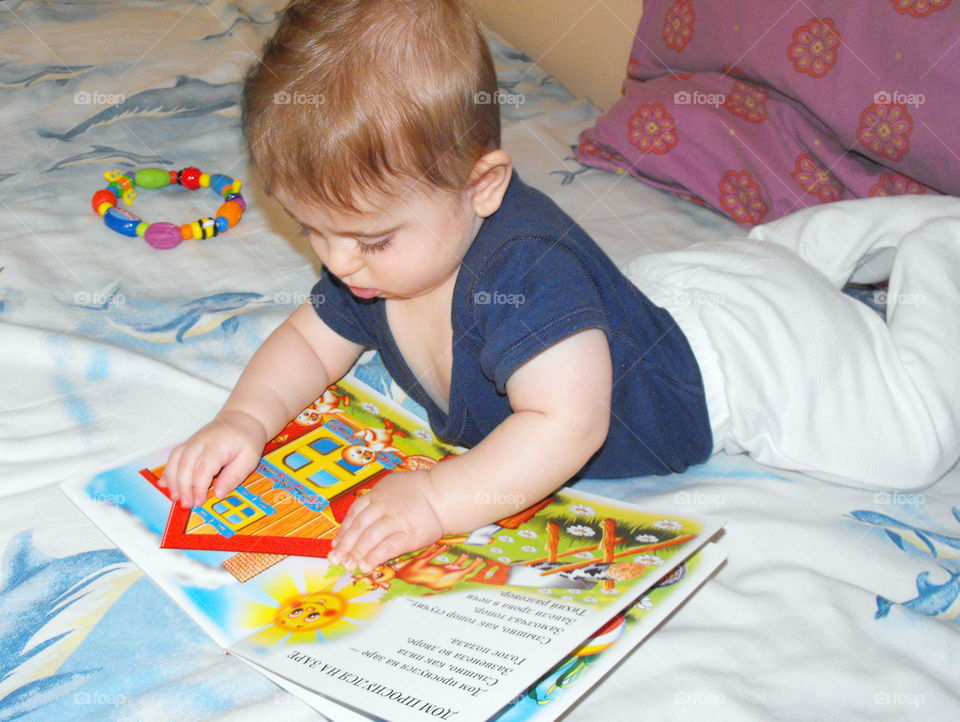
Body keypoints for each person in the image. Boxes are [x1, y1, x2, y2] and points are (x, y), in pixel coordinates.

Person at [160, 0, 960, 573]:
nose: (338, 264)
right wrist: (244, 419)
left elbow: (567, 426)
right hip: (673, 297)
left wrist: (436, 502)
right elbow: (307, 338)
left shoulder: (525, 271)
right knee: (755, 270)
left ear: (481, 186)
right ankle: (822, 246)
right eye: (312, 233)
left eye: (369, 238)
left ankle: (935, 244)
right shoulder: (375, 263)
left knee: (914, 442)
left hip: (742, 362)